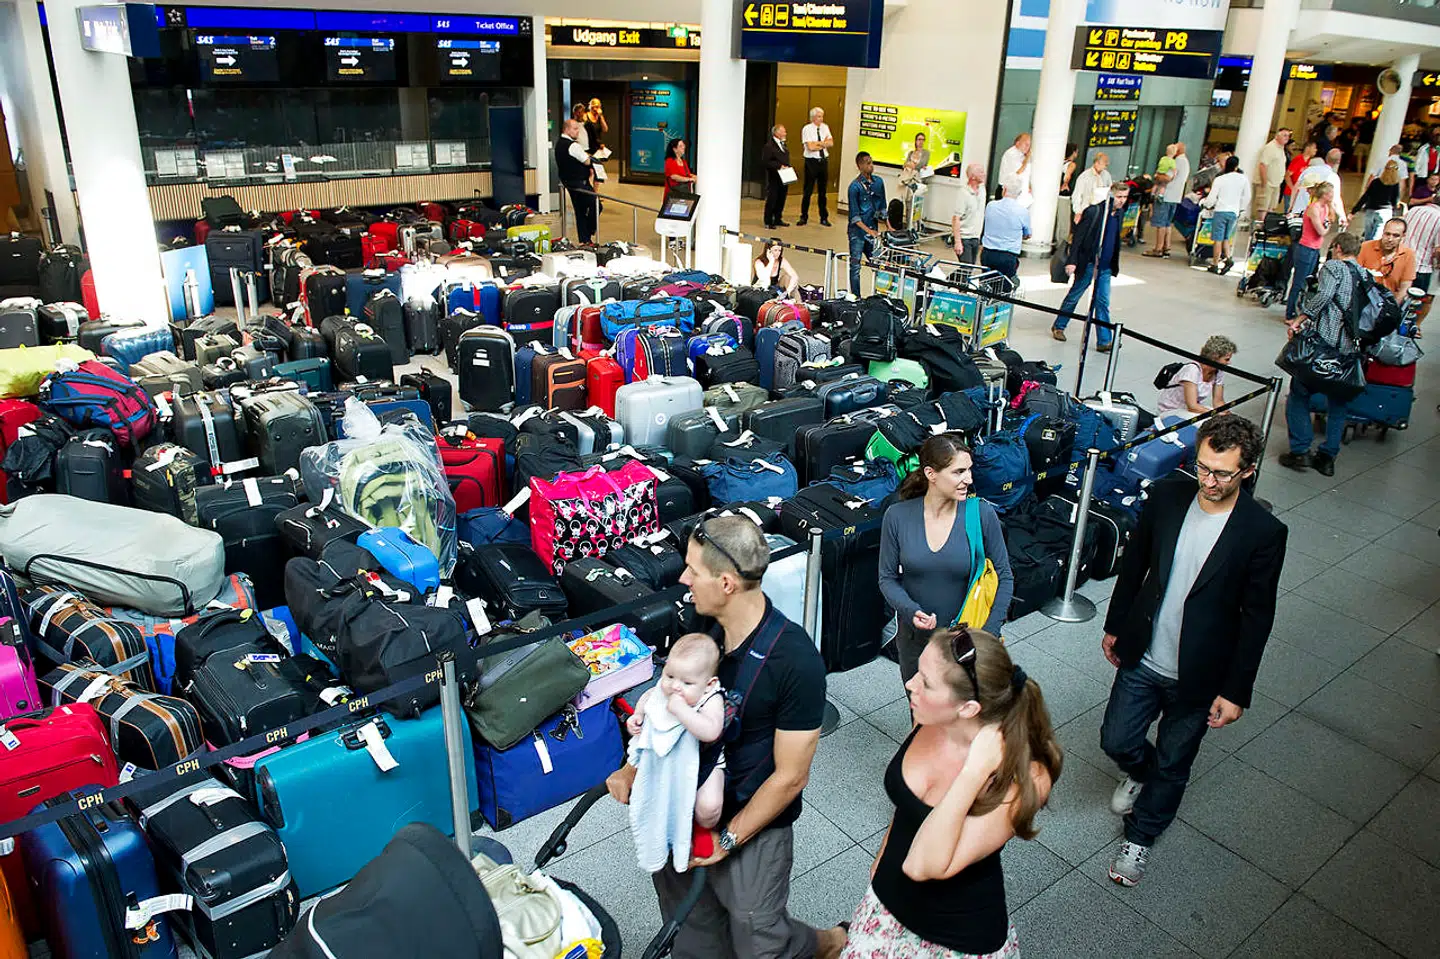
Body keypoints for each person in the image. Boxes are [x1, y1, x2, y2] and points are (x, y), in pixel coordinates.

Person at [607, 516, 847, 959]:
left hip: (751, 825)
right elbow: (668, 706)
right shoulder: (698, 628)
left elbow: (791, 777)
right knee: (692, 930)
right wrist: (632, 765)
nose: (682, 579)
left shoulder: (796, 660)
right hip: (682, 808)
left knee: (759, 939)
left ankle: (825, 943)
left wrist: (729, 840)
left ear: (726, 582)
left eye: (692, 571)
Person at [1100, 414, 1286, 887]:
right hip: (1145, 652)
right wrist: (1116, 626)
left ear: (1247, 471)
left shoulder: (1262, 533)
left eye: (1222, 473)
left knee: (1176, 761)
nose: (1209, 480)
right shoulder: (1167, 496)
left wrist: (1236, 690)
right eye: (1203, 467)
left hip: (1201, 672)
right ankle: (1141, 772)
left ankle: (1139, 838)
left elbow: (1256, 617)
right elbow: (1136, 565)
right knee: (1117, 739)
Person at [838, 627, 1061, 959]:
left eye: (925, 682)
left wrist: (974, 770)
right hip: (888, 903)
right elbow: (908, 805)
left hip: (953, 938)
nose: (910, 684)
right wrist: (883, 855)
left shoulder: (1022, 777)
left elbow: (921, 865)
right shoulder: (929, 717)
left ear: (968, 709)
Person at [878, 433, 1015, 685]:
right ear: (931, 474)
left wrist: (988, 635)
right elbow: (887, 578)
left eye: (969, 470)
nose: (969, 479)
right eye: (959, 472)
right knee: (921, 712)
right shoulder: (897, 516)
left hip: (968, 638)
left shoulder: (980, 514)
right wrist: (911, 610)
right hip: (914, 642)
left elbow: (1004, 576)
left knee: (962, 715)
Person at [1279, 232, 1365, 477]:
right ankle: (1327, 458)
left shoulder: (1333, 266)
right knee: (1339, 405)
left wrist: (1300, 319)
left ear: (1337, 247)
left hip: (1323, 347)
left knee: (1299, 394)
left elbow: (1324, 295)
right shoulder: (1365, 274)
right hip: (1349, 352)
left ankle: (1300, 451)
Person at [626, 633, 727, 835]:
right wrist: (638, 715)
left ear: (708, 684)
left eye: (687, 683)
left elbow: (711, 731)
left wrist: (682, 710)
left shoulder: (711, 697)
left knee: (709, 805)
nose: (674, 686)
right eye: (670, 675)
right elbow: (649, 697)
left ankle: (705, 829)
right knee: (657, 796)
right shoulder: (669, 685)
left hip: (705, 761)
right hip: (669, 760)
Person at [1053, 182, 1130, 350]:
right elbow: (1078, 238)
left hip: (1105, 266)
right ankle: (1059, 325)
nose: (1122, 201)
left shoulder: (1119, 214)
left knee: (1102, 301)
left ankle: (1104, 340)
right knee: (1075, 294)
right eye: (1119, 197)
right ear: (1111, 195)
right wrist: (1072, 261)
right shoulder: (1094, 212)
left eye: (1124, 197)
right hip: (1088, 262)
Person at [1285, 180, 1335, 321]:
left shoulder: (1324, 208)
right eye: (1330, 193)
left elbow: (1330, 219)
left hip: (1315, 249)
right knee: (1298, 282)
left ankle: (1300, 309)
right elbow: (1321, 230)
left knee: (1307, 281)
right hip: (1305, 248)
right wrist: (1327, 227)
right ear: (1324, 194)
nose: (1332, 196)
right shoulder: (1313, 208)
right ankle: (1290, 313)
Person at [1156, 335, 1235, 417]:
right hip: (1171, 410)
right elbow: (1192, 407)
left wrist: (1228, 416)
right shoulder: (1192, 370)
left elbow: (1218, 401)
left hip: (1191, 409)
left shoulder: (1219, 371)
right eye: (1227, 359)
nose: (1229, 363)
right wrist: (1216, 415)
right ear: (1214, 357)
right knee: (1210, 424)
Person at [1202, 156, 1251, 275]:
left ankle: (1215, 263)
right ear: (1236, 166)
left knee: (1218, 238)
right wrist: (1241, 209)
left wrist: (1207, 205)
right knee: (1226, 237)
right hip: (1233, 212)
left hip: (1221, 211)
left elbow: (1212, 197)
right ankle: (1228, 258)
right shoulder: (1243, 179)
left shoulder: (1220, 179)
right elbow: (1247, 196)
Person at [847, 152, 887, 295]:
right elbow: (854, 217)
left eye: (871, 162)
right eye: (867, 163)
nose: (871, 165)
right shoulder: (854, 187)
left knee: (879, 266)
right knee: (855, 267)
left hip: (873, 232)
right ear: (860, 166)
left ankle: (880, 296)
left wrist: (889, 227)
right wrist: (869, 231)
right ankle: (856, 297)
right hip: (857, 234)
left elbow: (883, 207)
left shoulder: (879, 182)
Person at [979, 177, 1029, 284]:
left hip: (988, 253)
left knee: (986, 284)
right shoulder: (1022, 211)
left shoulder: (990, 206)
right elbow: (1028, 234)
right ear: (1019, 193)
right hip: (1008, 256)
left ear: (1004, 189)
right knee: (1004, 287)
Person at [556, 118, 598, 244]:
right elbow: (587, 160)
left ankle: (585, 240)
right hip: (579, 183)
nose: (577, 132)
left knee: (580, 211)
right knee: (595, 205)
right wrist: (594, 162)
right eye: (575, 129)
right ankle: (590, 230)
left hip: (568, 182)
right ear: (567, 129)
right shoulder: (572, 146)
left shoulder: (559, 143)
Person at [1357, 217, 1418, 300]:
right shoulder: (1365, 247)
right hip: (1364, 298)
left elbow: (1405, 287)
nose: (1390, 239)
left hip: (1390, 300)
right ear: (1383, 232)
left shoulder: (1408, 255)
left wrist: (1393, 309)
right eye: (1387, 234)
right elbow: (1355, 275)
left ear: (1403, 236)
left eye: (1395, 236)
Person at [1144, 143, 1188, 258]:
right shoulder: (1186, 162)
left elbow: (1167, 177)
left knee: (1161, 223)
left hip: (1166, 195)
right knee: (1168, 223)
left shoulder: (1175, 161)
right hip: (1176, 197)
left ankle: (1158, 248)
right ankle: (1166, 247)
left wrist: (1157, 176)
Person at [798, 107, 835, 227]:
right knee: (808, 191)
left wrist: (819, 143)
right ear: (813, 117)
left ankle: (824, 217)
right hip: (811, 162)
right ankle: (803, 216)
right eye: (819, 116)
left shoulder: (825, 127)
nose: (821, 119)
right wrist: (823, 144)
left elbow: (831, 143)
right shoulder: (807, 129)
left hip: (823, 161)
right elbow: (810, 147)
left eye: (822, 116)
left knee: (822, 192)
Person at [1351, 160, 1400, 241]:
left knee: (1367, 238)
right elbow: (1395, 201)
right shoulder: (1395, 185)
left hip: (1370, 211)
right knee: (1375, 239)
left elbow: (1365, 197)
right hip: (1384, 212)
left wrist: (1354, 211)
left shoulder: (1375, 182)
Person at [1253, 128, 1291, 220]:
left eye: (1288, 136)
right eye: (1284, 135)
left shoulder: (1281, 149)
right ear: (1277, 136)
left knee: (1272, 207)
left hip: (1276, 183)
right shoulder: (1270, 147)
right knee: (1263, 207)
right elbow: (1263, 165)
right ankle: (1260, 228)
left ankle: (1267, 227)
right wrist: (1264, 182)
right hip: (1267, 183)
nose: (1287, 138)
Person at [952, 163, 986, 265]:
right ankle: (944, 280)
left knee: (969, 268)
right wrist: (958, 242)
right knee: (966, 269)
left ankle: (947, 280)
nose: (984, 174)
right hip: (964, 238)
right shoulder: (963, 193)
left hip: (975, 237)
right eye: (981, 172)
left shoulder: (982, 190)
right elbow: (956, 218)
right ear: (973, 177)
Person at [1405, 199, 1440, 293]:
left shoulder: (1414, 210)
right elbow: (1438, 250)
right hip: (1421, 268)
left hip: (1400, 262)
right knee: (1415, 303)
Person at [762, 125, 793, 229]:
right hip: (775, 176)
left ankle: (778, 218)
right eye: (783, 132)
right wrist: (779, 166)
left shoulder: (783, 145)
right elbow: (766, 161)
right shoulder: (769, 146)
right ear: (777, 133)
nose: (785, 134)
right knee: (773, 198)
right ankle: (768, 220)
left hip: (784, 176)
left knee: (781, 198)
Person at [1071, 152, 1113, 224]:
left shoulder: (1106, 175)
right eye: (1104, 164)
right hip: (1086, 209)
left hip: (1101, 210)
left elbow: (1110, 190)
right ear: (1096, 163)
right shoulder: (1084, 176)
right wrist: (1078, 212)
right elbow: (1077, 195)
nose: (1105, 167)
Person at [998, 132, 1032, 205]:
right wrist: (1027, 158)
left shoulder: (1022, 155)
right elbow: (1018, 172)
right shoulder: (1012, 154)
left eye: (1029, 145)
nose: (1028, 147)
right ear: (1017, 143)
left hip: (1016, 193)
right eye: (1026, 144)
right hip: (1005, 192)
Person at [1409, 126, 1440, 198]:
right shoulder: (1424, 149)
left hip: (1433, 173)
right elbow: (1418, 162)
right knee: (1419, 191)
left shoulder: (1438, 149)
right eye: (1436, 136)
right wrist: (1416, 173)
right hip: (1422, 174)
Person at [663, 139, 697, 203]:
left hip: (684, 193)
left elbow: (688, 174)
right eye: (680, 146)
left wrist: (694, 177)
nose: (683, 147)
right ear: (675, 149)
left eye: (683, 145)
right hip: (674, 194)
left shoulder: (683, 162)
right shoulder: (670, 161)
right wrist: (689, 179)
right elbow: (674, 176)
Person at [1284, 140, 1316, 207]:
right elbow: (1287, 175)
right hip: (1291, 193)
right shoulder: (1298, 160)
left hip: (1301, 194)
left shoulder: (1310, 162)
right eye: (1314, 148)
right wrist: (1293, 188)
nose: (1315, 150)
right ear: (1307, 148)